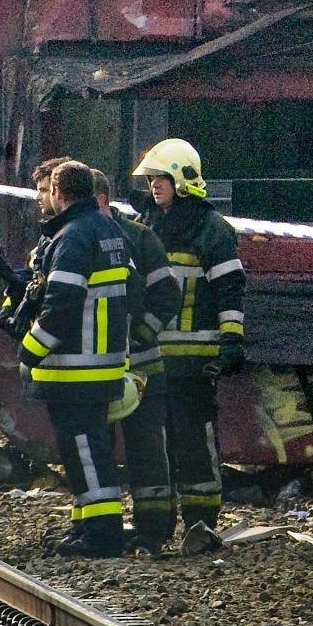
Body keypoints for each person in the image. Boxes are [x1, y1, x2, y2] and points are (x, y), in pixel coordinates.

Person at [131, 139, 245, 552]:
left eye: (160, 178)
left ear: (181, 180)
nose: (153, 186)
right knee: (151, 447)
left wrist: (231, 341)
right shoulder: (145, 226)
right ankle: (152, 527)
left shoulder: (212, 230)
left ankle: (200, 524)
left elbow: (230, 291)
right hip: (151, 360)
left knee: (195, 445)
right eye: (151, 179)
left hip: (195, 363)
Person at [19, 157, 133, 557]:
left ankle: (102, 537)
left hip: (77, 366)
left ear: (58, 193)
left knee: (84, 449)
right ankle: (86, 525)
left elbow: (62, 305)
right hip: (103, 362)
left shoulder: (72, 237)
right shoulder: (108, 230)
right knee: (87, 449)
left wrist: (29, 350)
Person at [90, 167, 181, 550]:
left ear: (99, 200)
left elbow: (167, 295)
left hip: (142, 366)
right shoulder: (76, 238)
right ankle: (104, 529)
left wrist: (139, 334)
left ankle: (153, 529)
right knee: (97, 448)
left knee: (146, 449)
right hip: (94, 368)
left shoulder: (140, 238)